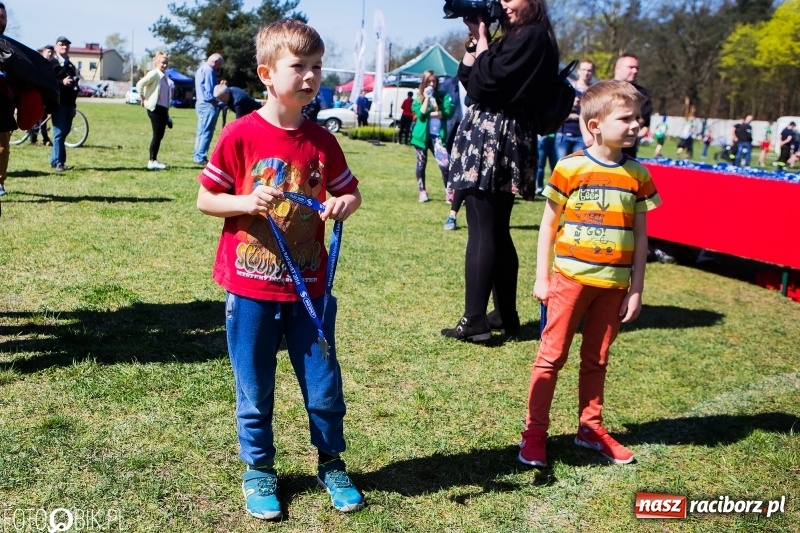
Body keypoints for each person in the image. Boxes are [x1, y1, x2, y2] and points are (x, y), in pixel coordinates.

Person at [195, 20, 364, 520]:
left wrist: (343, 204)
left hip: (310, 290)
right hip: (250, 289)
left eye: (317, 67)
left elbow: (350, 192)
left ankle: (331, 463)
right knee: (254, 388)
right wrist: (245, 201)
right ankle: (259, 469)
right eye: (299, 66)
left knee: (323, 385)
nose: (310, 76)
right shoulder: (240, 133)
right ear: (267, 74)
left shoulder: (322, 141)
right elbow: (206, 198)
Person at [519, 80, 661, 467]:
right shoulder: (569, 168)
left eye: (638, 118)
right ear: (595, 125)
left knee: (596, 360)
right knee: (551, 357)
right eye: (626, 118)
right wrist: (542, 277)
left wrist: (636, 288)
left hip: (613, 286)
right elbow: (548, 226)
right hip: (569, 280)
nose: (636, 125)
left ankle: (590, 428)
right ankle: (534, 433)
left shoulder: (638, 175)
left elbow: (641, 236)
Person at [442, 0, 560, 341]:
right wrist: (476, 38)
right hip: (502, 134)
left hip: (495, 135)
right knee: (495, 228)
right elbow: (469, 79)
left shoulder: (530, 36)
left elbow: (484, 84)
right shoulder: (521, 37)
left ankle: (474, 320)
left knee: (482, 227)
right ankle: (505, 315)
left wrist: (483, 40)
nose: (504, 3)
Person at [410, 69, 455, 203]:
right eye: (429, 81)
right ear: (424, 82)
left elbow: (448, 111)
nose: (431, 84)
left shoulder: (443, 96)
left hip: (438, 136)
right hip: (421, 137)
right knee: (421, 165)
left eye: (434, 81)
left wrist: (432, 112)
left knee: (445, 165)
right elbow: (421, 115)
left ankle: (449, 192)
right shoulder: (418, 98)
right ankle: (422, 191)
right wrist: (426, 98)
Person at [136, 51, 174, 170]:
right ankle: (152, 161)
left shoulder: (164, 76)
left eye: (166, 63)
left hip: (163, 109)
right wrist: (143, 98)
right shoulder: (154, 74)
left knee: (160, 135)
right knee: (157, 135)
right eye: (162, 63)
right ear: (156, 63)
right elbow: (140, 84)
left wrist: (167, 115)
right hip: (155, 108)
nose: (165, 65)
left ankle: (154, 160)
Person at [613, 54, 652, 158]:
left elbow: (643, 121)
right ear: (618, 68)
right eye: (631, 67)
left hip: (627, 149)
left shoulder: (642, 93)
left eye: (637, 68)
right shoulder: (602, 90)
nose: (635, 71)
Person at [50, 36, 79, 173]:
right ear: (55, 47)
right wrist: (62, 82)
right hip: (58, 104)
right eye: (61, 44)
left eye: (67, 45)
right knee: (59, 133)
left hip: (69, 104)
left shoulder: (70, 65)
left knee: (64, 132)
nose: (64, 47)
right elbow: (48, 82)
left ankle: (55, 160)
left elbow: (74, 85)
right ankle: (59, 163)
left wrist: (74, 106)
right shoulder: (51, 63)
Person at [555, 60, 594, 161]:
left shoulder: (593, 91)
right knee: (561, 165)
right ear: (578, 71)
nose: (586, 73)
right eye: (584, 69)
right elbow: (559, 109)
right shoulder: (569, 87)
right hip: (564, 133)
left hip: (582, 136)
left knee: (577, 165)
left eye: (589, 70)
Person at [193, 53, 223, 165]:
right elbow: (210, 90)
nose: (218, 68)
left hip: (200, 103)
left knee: (201, 131)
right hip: (208, 104)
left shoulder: (201, 69)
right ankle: (201, 157)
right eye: (219, 65)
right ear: (215, 62)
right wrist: (215, 101)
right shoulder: (209, 70)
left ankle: (197, 155)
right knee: (207, 132)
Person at [27, 45, 54, 147]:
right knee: (36, 117)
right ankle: (33, 138)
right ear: (44, 52)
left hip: (45, 95)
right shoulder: (38, 63)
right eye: (48, 52)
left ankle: (44, 138)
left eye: (52, 52)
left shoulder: (52, 65)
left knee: (43, 117)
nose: (50, 54)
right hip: (37, 93)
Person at [0, 2, 10, 196]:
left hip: (3, 105)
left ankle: (0, 182)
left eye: (2, 17)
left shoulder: (10, 47)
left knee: (2, 147)